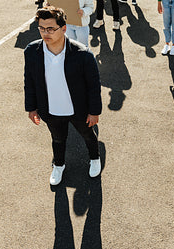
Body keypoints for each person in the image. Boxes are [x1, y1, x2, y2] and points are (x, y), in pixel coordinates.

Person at [24, 6, 102, 185]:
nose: (46, 33)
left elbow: (93, 86)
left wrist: (94, 111)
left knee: (88, 135)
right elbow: (29, 82)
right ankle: (58, 165)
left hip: (78, 109)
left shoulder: (82, 54)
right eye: (42, 28)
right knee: (57, 139)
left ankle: (95, 158)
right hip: (50, 109)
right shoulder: (31, 51)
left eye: (51, 28)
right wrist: (31, 108)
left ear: (64, 28)